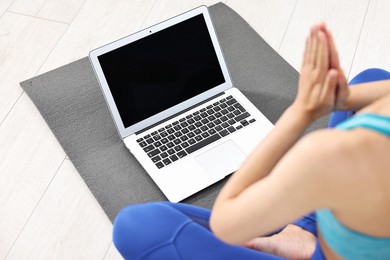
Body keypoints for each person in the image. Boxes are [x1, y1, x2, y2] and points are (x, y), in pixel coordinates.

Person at [112, 24, 390, 259]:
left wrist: (302, 111)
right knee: (371, 79)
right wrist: (342, 99)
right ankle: (302, 231)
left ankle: (306, 235)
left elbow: (226, 224)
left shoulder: (324, 155)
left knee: (134, 226)